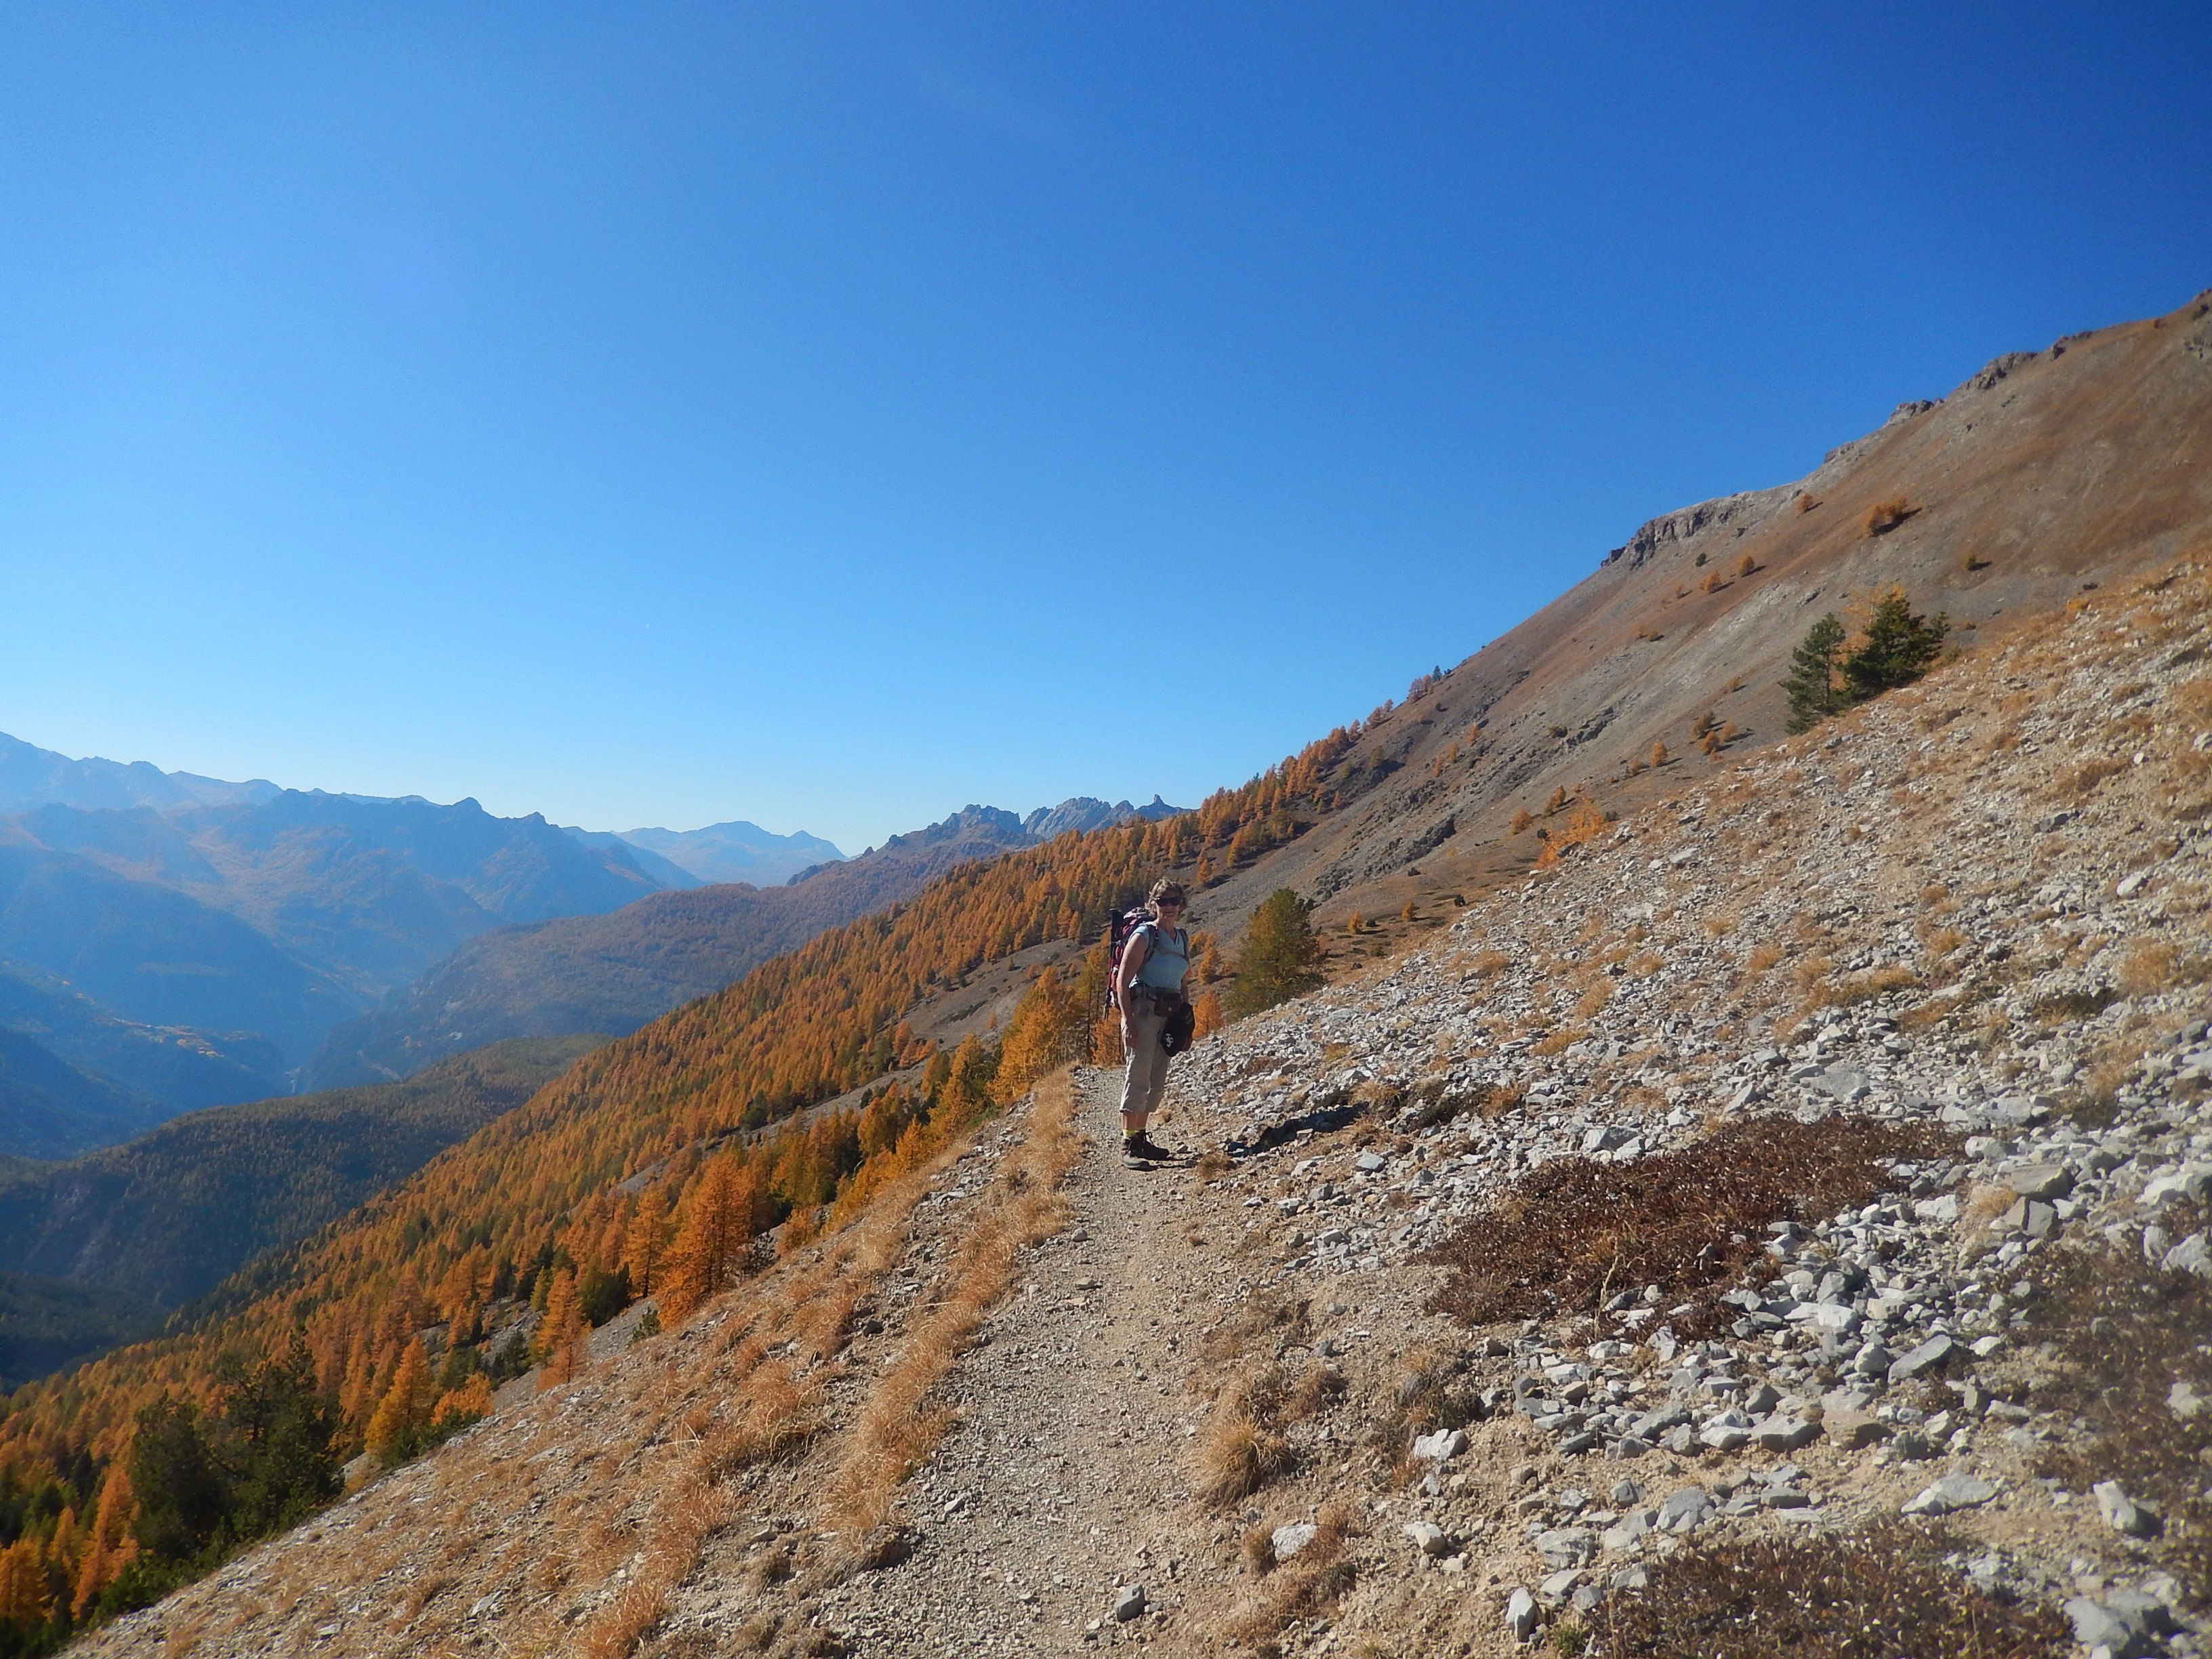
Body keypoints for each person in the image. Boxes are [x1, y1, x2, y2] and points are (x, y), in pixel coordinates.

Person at [1117, 879, 1191, 1164]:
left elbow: (1183, 981)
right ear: (1153, 905)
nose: (1169, 907)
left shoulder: (1182, 938)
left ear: (1181, 904)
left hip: (1170, 1016)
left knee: (1156, 1082)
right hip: (1144, 1014)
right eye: (1163, 902)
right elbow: (1122, 981)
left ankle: (1140, 1137)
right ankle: (1128, 1146)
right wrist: (1128, 1021)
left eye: (1174, 901)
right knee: (1138, 1077)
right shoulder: (1144, 936)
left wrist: (1186, 1020)